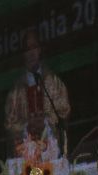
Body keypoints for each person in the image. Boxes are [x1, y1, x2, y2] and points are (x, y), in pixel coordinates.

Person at [4, 29, 71, 158]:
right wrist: (26, 125)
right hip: (26, 155)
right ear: (23, 54)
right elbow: (10, 123)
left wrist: (45, 122)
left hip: (51, 151)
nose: (31, 53)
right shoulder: (16, 91)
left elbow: (64, 111)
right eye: (27, 49)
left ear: (39, 50)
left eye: (34, 47)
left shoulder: (53, 82)